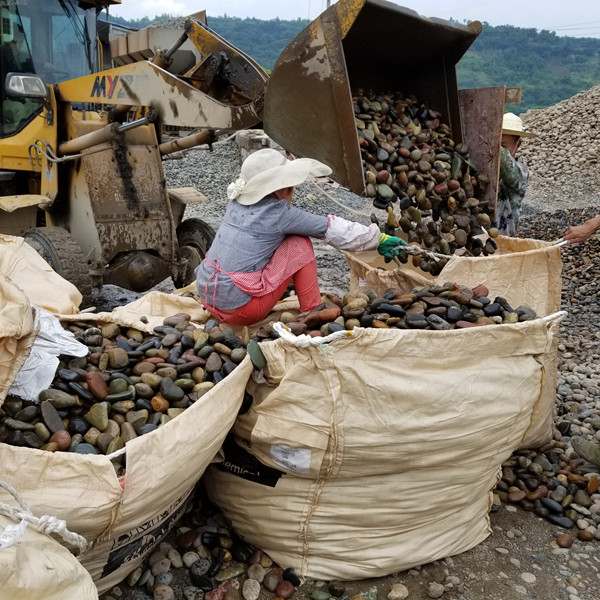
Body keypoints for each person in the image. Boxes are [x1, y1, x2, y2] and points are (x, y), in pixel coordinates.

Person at [195, 148, 407, 325]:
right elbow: (330, 228)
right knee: (299, 243)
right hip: (242, 309)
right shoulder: (279, 214)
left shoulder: (236, 203)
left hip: (208, 296)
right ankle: (312, 311)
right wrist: (377, 239)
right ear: (279, 189)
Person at [496, 112, 535, 236]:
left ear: (518, 145)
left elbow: (504, 160)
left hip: (504, 235)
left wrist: (491, 140)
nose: (496, 149)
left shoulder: (521, 170)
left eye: (503, 145)